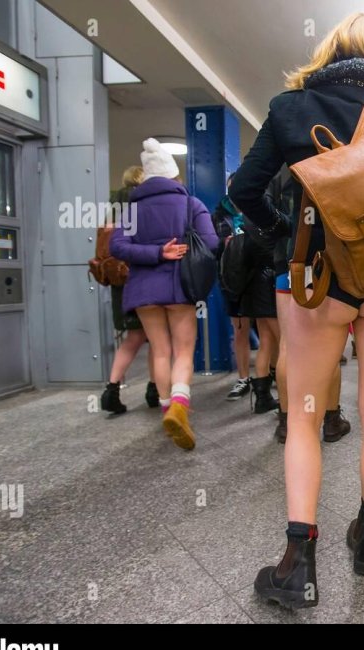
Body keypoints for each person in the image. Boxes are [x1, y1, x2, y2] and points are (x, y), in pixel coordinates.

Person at [228, 12, 364, 609]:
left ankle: (299, 564)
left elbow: (244, 190)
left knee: (305, 416)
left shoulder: (289, 107)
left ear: (330, 48)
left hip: (315, 283)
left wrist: (282, 235)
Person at [110, 139, 218, 450]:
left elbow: (116, 247)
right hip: (180, 287)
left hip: (143, 289)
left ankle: (167, 408)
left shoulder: (130, 208)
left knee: (159, 350)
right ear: (173, 176)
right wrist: (175, 251)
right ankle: (181, 407)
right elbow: (211, 244)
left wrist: (155, 252)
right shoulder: (191, 204)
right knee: (184, 350)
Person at [264, 167, 351, 444]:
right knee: (328, 346)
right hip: (324, 264)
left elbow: (254, 214)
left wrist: (279, 239)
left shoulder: (274, 172)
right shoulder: (328, 161)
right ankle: (332, 420)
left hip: (286, 265)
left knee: (288, 346)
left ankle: (286, 423)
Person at [212, 174, 279, 414]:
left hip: (251, 282)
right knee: (277, 340)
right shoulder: (231, 213)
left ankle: (265, 393)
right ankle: (280, 398)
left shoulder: (254, 209)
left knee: (267, 340)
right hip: (254, 282)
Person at [100, 165, 159, 414]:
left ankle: (111, 388)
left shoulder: (112, 205)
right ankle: (154, 389)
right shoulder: (144, 204)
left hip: (119, 282)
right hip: (143, 277)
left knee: (132, 337)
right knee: (157, 339)